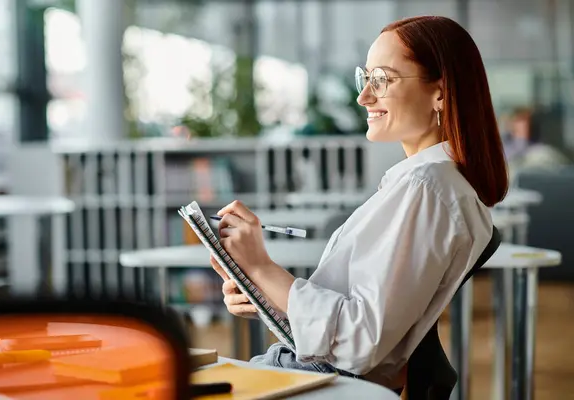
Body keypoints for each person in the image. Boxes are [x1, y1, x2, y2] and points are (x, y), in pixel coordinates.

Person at [209, 15, 508, 394]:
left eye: (382, 79)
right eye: (364, 79)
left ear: (441, 92)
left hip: (320, 381)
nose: (364, 96)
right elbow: (365, 324)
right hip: (313, 371)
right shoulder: (427, 184)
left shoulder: (426, 189)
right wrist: (266, 294)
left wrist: (262, 267)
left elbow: (360, 342)